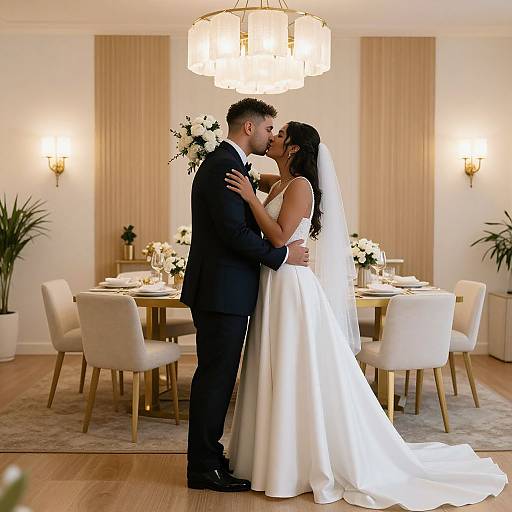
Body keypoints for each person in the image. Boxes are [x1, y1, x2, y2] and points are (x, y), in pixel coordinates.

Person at [225, 121, 507, 509]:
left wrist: (250, 198)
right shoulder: (281, 183)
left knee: (294, 366)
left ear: (291, 148)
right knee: (275, 366)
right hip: (273, 285)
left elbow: (278, 236)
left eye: (279, 133)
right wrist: (236, 166)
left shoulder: (301, 187)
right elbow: (261, 179)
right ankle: (273, 458)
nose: (270, 137)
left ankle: (298, 463)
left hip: (291, 286)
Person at [181, 99, 310, 492]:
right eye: (270, 128)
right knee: (215, 379)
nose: (272, 136)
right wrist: (282, 254)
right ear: (250, 128)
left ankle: (208, 455)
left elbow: (270, 207)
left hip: (226, 290)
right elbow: (233, 235)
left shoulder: (232, 164)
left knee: (217, 377)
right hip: (221, 291)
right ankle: (203, 467)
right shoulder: (224, 166)